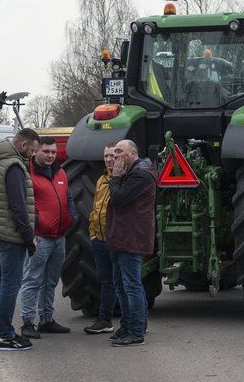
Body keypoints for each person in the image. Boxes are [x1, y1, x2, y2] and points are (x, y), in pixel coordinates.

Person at [0, 128, 39, 352]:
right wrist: (29, 237)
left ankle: (4, 331)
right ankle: (5, 336)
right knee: (11, 285)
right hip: (9, 235)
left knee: (6, 284)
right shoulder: (13, 166)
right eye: (32, 151)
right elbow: (19, 207)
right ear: (23, 145)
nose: (31, 156)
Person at [19, 137, 75, 338]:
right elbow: (24, 206)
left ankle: (46, 319)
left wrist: (71, 218)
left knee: (50, 281)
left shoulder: (60, 173)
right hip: (40, 238)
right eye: (46, 152)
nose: (51, 155)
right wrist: (33, 229)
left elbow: (67, 197)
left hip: (59, 237)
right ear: (36, 152)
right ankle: (27, 322)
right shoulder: (28, 175)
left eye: (53, 152)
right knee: (32, 280)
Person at [105, 139, 156, 347]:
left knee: (131, 285)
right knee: (121, 284)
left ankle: (136, 331)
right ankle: (127, 325)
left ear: (133, 154)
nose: (115, 156)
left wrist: (116, 177)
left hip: (131, 239)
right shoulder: (131, 174)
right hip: (120, 238)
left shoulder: (141, 176)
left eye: (120, 151)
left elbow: (118, 198)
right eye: (114, 151)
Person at [82, 143, 117, 335]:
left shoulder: (123, 180)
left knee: (125, 281)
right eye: (106, 156)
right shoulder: (101, 180)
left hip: (116, 240)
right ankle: (105, 320)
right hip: (99, 239)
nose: (109, 159)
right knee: (106, 281)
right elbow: (96, 209)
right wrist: (93, 233)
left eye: (112, 155)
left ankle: (136, 321)